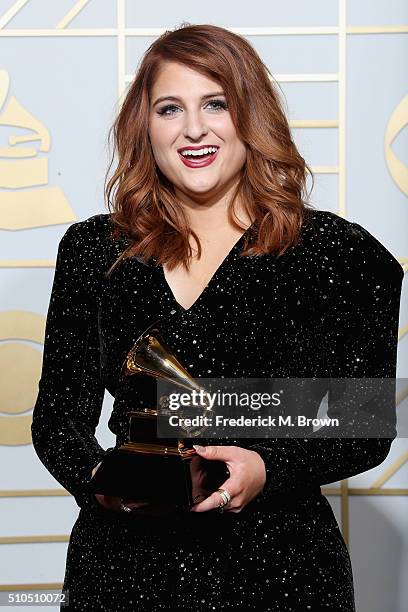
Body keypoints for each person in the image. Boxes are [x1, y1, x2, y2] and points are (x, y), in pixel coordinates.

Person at [31, 23, 404, 611]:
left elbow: (364, 423)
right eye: (169, 108)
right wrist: (111, 488)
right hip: (123, 573)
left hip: (280, 569)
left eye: (216, 104)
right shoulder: (91, 252)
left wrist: (265, 466)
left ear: (251, 118)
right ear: (143, 127)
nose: (194, 129)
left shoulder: (337, 251)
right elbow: (57, 423)